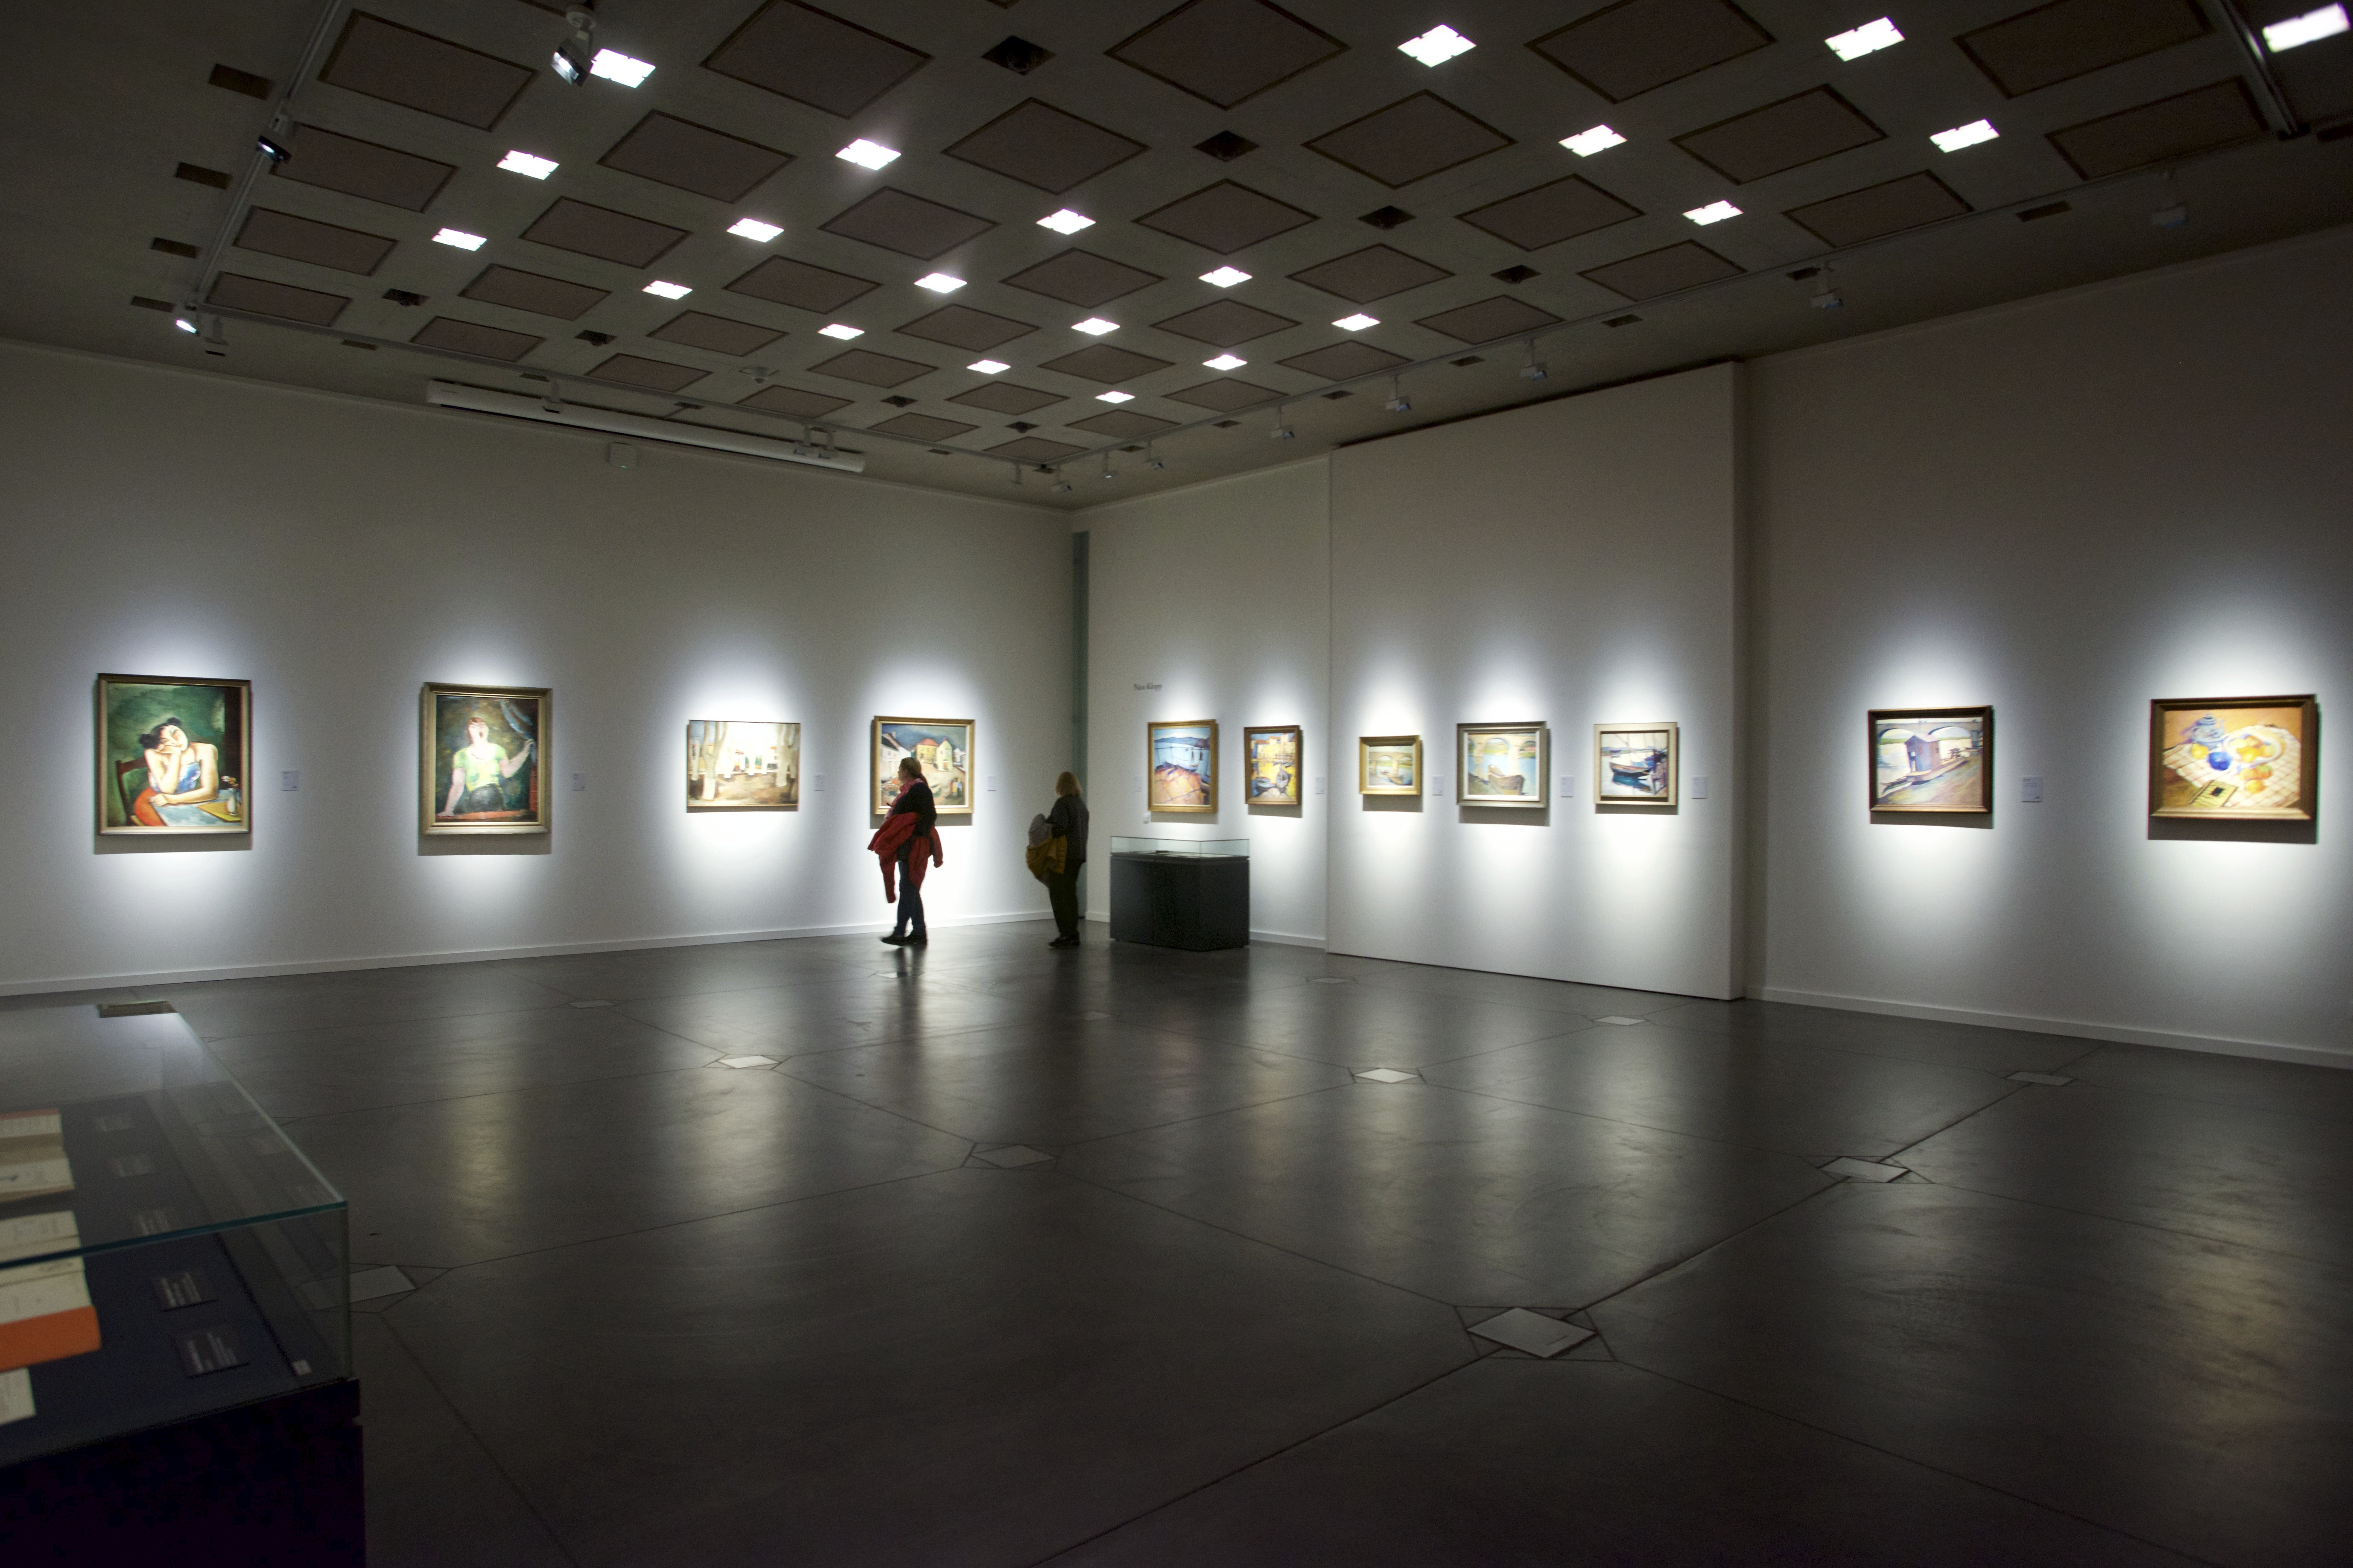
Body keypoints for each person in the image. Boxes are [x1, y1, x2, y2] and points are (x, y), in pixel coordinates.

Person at [876, 756, 937, 946]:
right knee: (910, 888)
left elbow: (930, 816)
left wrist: (912, 834)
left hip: (913, 845)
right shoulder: (911, 789)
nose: (898, 773)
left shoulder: (919, 789)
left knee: (908, 887)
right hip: (908, 845)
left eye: (900, 770)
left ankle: (900, 932)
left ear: (906, 771)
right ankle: (919, 932)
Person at [442, 709, 534, 820]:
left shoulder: (498, 750)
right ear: (469, 730)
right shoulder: (461, 755)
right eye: (474, 726)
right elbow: (458, 785)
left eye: (482, 725)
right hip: (475, 804)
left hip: (496, 802)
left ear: (487, 729)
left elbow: (508, 771)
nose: (479, 729)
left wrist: (525, 752)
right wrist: (449, 810)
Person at [131, 717, 222, 826]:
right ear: (159, 747)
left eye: (175, 733)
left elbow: (211, 792)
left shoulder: (207, 750)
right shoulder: (152, 753)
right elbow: (167, 790)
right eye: (165, 741)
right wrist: (176, 755)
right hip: (156, 799)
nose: (175, 742)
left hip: (191, 798)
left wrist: (174, 799)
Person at [1043, 771, 1088, 948]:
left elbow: (1060, 827)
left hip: (1063, 856)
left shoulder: (1063, 804)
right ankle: (1073, 934)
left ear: (1060, 786)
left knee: (1058, 893)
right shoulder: (1081, 805)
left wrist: (1047, 829)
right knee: (1070, 893)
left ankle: (1066, 934)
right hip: (1078, 856)